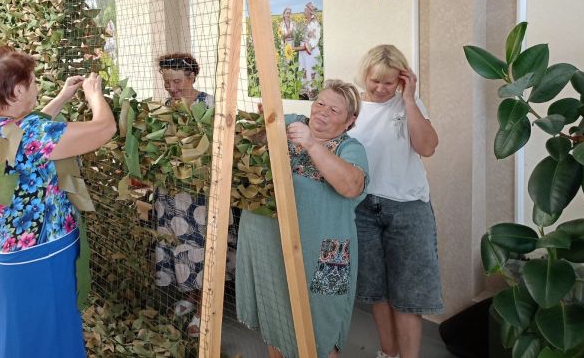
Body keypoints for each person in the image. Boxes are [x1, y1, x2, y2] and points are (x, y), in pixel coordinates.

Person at [0, 46, 117, 358]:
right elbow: (105, 129)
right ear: (18, 89)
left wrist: (62, 97)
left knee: (15, 340)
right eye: (33, 82)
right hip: (39, 258)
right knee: (48, 340)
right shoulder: (30, 135)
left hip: (1, 256)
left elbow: (25, 136)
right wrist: (94, 96)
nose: (36, 87)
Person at [236, 80, 368, 358]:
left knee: (323, 323)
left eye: (334, 110)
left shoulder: (350, 148)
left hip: (326, 255)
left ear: (350, 120)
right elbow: (252, 136)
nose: (322, 112)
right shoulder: (293, 123)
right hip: (275, 249)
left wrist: (311, 144)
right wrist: (259, 124)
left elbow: (351, 185)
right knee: (276, 318)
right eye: (320, 103)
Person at [346, 44, 441, 358]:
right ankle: (388, 353)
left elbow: (427, 148)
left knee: (408, 293)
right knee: (376, 292)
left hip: (407, 208)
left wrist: (410, 100)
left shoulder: (408, 105)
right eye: (375, 81)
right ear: (365, 76)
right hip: (362, 208)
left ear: (402, 79)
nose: (381, 88)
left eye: (389, 82)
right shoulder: (354, 107)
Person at [154, 52, 220, 337]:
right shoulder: (164, 107)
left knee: (202, 253)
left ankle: (204, 314)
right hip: (170, 198)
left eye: (177, 81)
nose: (172, 88)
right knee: (178, 250)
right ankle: (188, 299)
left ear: (193, 76)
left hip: (200, 198)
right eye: (167, 82)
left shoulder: (211, 105)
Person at [295, 2, 321, 98]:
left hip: (310, 53)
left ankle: (311, 95)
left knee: (310, 71)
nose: (303, 12)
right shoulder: (308, 22)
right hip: (303, 52)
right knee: (303, 70)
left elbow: (312, 44)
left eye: (305, 10)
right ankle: (305, 93)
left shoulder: (315, 23)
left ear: (310, 12)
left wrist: (295, 49)